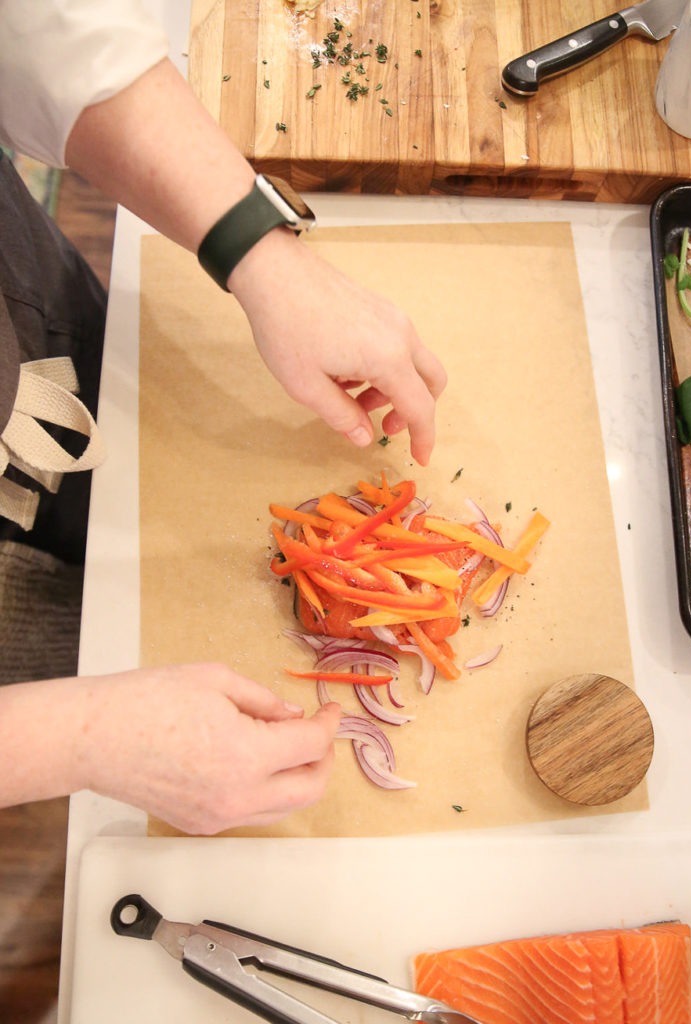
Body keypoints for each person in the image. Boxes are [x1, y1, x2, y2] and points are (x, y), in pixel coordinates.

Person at [0, 1, 447, 834]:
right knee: (70, 643)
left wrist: (257, 250)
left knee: (118, 464)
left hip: (22, 324)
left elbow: (41, 25)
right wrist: (76, 737)